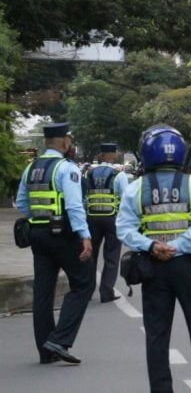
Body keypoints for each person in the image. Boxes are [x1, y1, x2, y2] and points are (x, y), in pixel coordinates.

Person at [116, 124, 191, 393]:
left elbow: (124, 228)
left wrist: (152, 246)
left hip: (153, 268)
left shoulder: (136, 189)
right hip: (188, 267)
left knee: (157, 336)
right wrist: (178, 246)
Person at [15, 122, 94, 364]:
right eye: (69, 139)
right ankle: (59, 340)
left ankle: (46, 351)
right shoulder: (66, 168)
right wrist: (85, 235)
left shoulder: (32, 168)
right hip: (63, 234)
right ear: (63, 141)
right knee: (83, 284)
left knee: (43, 293)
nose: (70, 143)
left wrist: (38, 219)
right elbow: (73, 204)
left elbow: (21, 202)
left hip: (38, 235)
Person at [83, 143, 129, 302]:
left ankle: (86, 292)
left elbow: (83, 197)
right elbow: (125, 199)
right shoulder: (118, 175)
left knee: (91, 256)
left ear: (101, 155)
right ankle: (106, 291)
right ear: (114, 155)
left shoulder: (88, 174)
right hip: (112, 219)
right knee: (111, 256)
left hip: (91, 219)